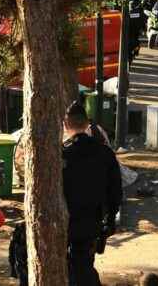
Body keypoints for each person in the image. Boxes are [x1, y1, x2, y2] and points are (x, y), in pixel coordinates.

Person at [62, 101, 123, 286]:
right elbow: (115, 190)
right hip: (92, 220)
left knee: (73, 267)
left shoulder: (62, 153)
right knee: (83, 264)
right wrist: (111, 219)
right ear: (88, 123)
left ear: (65, 125)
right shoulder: (104, 153)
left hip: (65, 219)